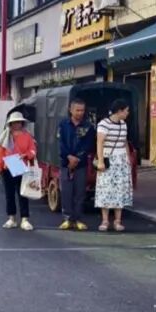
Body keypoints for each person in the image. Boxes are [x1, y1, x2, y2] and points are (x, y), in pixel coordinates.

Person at [0, 111, 37, 231]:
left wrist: (26, 155)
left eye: (19, 122)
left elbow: (33, 150)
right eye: (14, 122)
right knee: (9, 195)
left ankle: (25, 219)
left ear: (22, 123)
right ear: (10, 124)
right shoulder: (5, 135)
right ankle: (11, 218)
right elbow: (0, 153)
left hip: (22, 167)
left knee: (23, 194)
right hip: (8, 168)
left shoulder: (27, 136)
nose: (17, 124)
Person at [94, 99, 133, 232]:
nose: (127, 113)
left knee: (119, 190)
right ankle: (105, 220)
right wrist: (100, 160)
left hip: (121, 159)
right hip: (108, 158)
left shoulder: (123, 124)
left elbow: (124, 141)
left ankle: (117, 220)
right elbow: (100, 142)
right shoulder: (104, 124)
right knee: (105, 189)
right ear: (119, 111)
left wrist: (128, 158)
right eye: (126, 110)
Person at [57, 99, 94, 230]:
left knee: (80, 193)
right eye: (77, 110)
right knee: (66, 192)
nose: (80, 113)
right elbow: (60, 143)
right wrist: (68, 157)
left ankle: (78, 219)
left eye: (82, 110)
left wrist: (77, 158)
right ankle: (67, 218)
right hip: (65, 163)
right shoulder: (63, 125)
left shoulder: (88, 126)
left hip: (81, 164)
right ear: (70, 110)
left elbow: (88, 145)